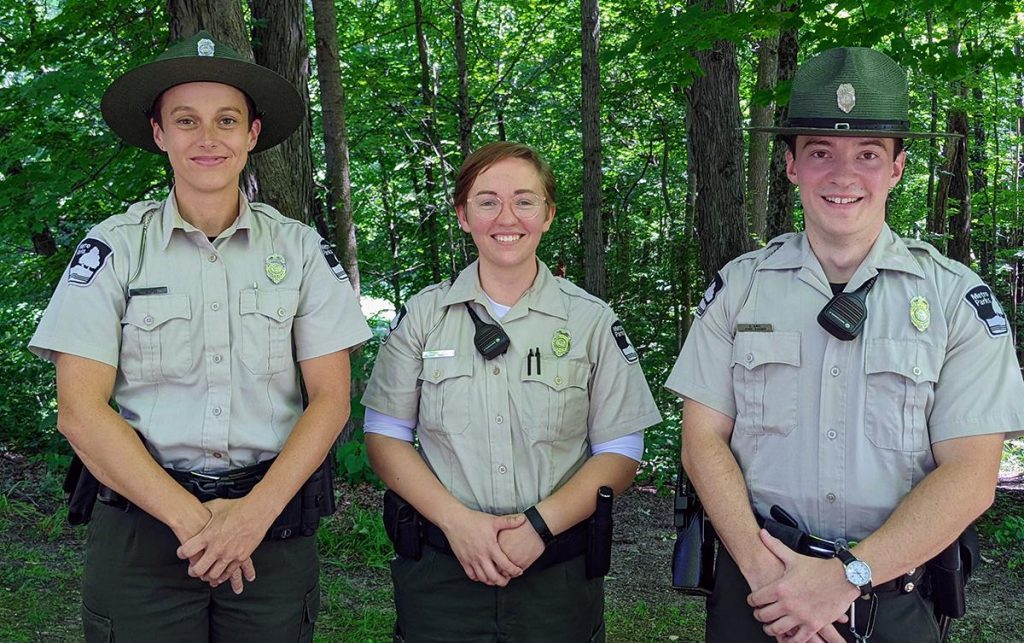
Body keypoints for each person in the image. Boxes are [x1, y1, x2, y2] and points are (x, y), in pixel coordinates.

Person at [666, 47, 1024, 643]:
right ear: (790, 166)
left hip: (892, 597)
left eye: (867, 155)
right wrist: (767, 574)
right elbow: (702, 440)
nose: (843, 175)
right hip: (759, 593)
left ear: (898, 168)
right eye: (820, 153)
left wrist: (846, 578)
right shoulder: (739, 289)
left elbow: (971, 473)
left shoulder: (955, 299)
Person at [29, 31, 371, 642]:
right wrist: (195, 521)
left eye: (226, 120)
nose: (207, 138)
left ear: (252, 135)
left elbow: (331, 399)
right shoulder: (114, 248)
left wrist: (250, 519)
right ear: (159, 134)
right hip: (142, 530)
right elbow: (79, 410)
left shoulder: (299, 251)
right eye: (185, 121)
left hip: (272, 526)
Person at [361, 142, 663, 642]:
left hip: (556, 574)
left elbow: (621, 449)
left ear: (548, 215)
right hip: (441, 572)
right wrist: (459, 524)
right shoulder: (423, 317)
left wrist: (537, 529)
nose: (507, 216)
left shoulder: (590, 321)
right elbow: (385, 434)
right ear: (463, 215)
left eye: (525, 200)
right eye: (487, 200)